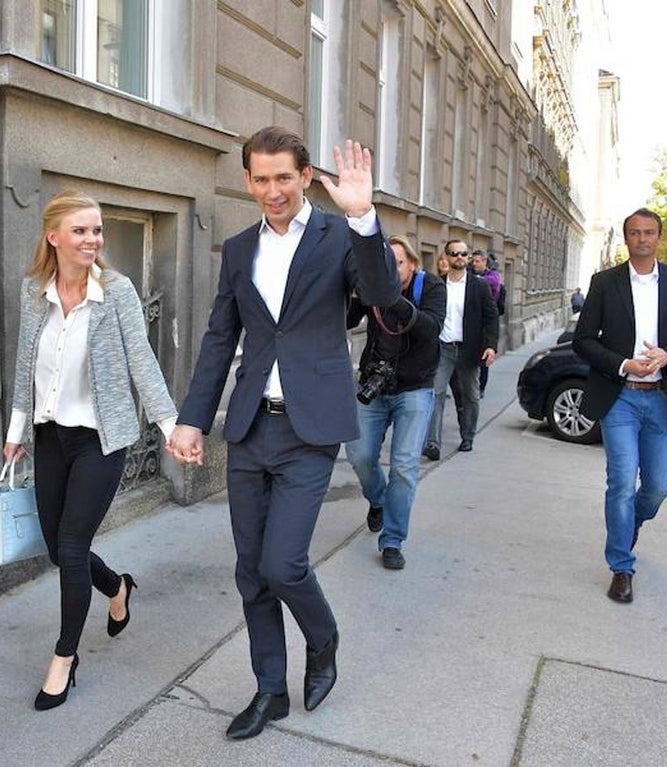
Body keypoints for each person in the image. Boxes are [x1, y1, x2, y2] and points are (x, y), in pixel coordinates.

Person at [166, 127, 400, 740]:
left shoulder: (337, 236)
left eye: (284, 178)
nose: (273, 191)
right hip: (250, 426)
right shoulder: (239, 248)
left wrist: (364, 219)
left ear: (305, 177)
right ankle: (270, 690)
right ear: (248, 180)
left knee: (284, 564)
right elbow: (221, 336)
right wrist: (193, 418)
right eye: (262, 179)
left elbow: (382, 296)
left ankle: (323, 638)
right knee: (251, 570)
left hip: (309, 427)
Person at [3, 190, 178, 711]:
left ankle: (64, 657)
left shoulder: (116, 292)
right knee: (59, 550)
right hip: (49, 437)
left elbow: (143, 362)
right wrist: (15, 431)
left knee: (73, 547)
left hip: (100, 440)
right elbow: (24, 364)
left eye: (96, 230)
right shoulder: (34, 291)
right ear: (54, 236)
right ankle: (117, 587)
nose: (92, 239)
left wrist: (171, 428)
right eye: (80, 230)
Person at [572, 208, 667, 604]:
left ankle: (628, 523)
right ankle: (621, 567)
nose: (642, 238)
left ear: (659, 237)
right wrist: (622, 364)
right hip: (620, 398)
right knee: (620, 482)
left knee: (657, 487)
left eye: (649, 232)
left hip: (662, 399)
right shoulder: (605, 283)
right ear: (626, 238)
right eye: (635, 232)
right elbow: (584, 340)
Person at [344, 235, 445, 571]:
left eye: (397, 263)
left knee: (403, 466)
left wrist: (392, 298)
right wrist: (352, 290)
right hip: (375, 384)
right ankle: (378, 500)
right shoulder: (372, 288)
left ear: (412, 264)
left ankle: (392, 539)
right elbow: (346, 321)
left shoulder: (431, 287)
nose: (391, 269)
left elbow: (430, 329)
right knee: (359, 455)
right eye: (385, 263)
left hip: (415, 388)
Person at [422, 240, 498, 459]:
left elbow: (491, 317)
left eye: (464, 254)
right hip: (442, 348)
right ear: (446, 256)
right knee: (435, 393)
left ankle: (468, 436)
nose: (460, 257)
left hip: (468, 349)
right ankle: (433, 443)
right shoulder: (437, 285)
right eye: (455, 253)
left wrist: (491, 346)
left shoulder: (479, 286)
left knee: (470, 396)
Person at [470, 250, 502, 395]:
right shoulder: (473, 274)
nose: (474, 264)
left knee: (484, 356)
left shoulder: (492, 276)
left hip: (486, 321)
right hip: (473, 319)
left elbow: (489, 282)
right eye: (473, 261)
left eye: (477, 261)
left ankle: (481, 388)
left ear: (484, 262)